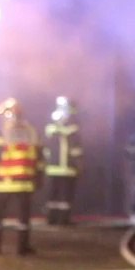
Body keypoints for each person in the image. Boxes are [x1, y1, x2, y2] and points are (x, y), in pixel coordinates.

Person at [0, 98, 44, 256]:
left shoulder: (3, 132)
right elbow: (39, 159)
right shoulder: (32, 132)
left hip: (4, 183)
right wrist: (39, 178)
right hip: (25, 183)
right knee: (24, 219)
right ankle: (22, 248)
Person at [43, 96, 83, 226]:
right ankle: (63, 220)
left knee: (53, 194)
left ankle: (51, 218)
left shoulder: (50, 128)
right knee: (66, 196)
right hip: (68, 168)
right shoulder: (73, 129)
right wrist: (79, 164)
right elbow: (76, 150)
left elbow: (46, 148)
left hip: (52, 168)